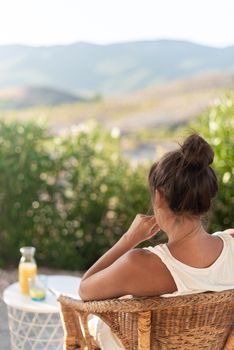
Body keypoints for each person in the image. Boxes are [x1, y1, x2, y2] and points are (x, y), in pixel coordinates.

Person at [79, 134, 234, 349]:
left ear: (159, 196)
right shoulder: (231, 244)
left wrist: (128, 239)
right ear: (205, 199)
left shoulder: (140, 264)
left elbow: (85, 290)